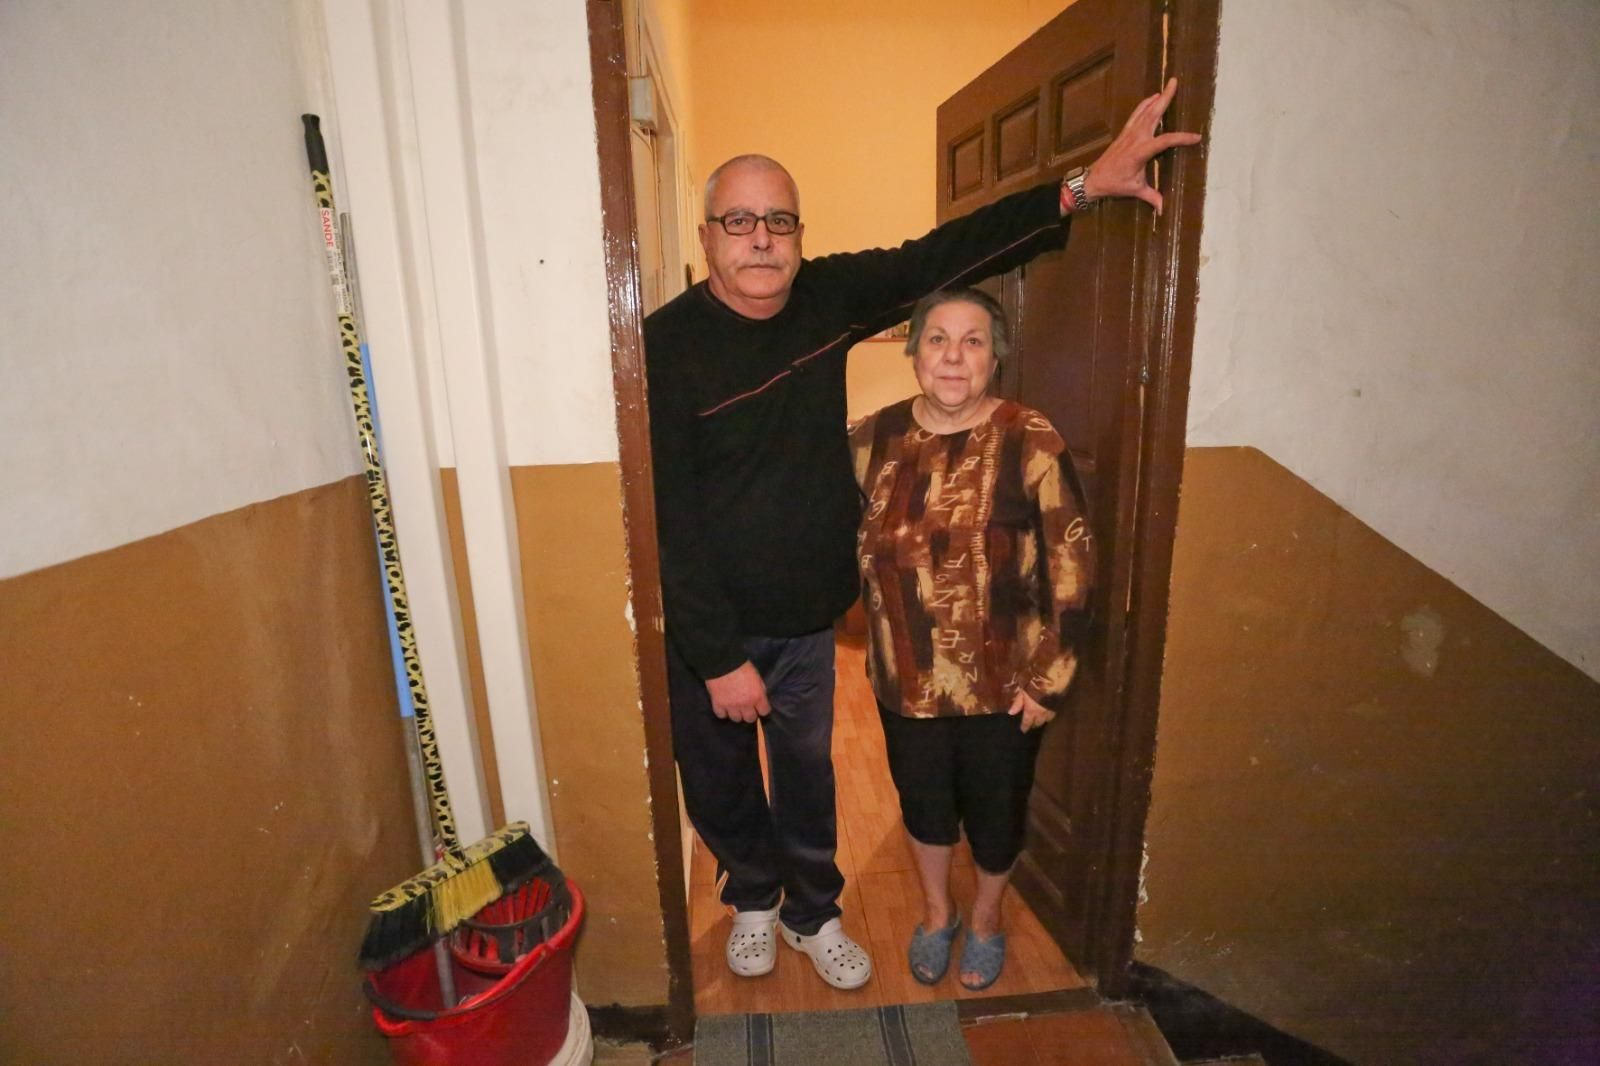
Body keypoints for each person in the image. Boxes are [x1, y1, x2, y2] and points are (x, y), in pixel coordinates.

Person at [644, 81, 1198, 990]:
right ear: (707, 236)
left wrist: (1079, 188)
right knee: (717, 779)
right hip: (707, 627)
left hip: (803, 623)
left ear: (800, 234)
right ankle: (751, 899)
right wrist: (714, 655)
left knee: (806, 776)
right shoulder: (661, 346)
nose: (761, 239)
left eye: (779, 221)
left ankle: (813, 911)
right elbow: (663, 511)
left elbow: (940, 255)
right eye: (739, 222)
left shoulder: (826, 300)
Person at [849, 287, 1092, 991]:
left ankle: (985, 920)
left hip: (1005, 685)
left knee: (996, 814)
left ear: (995, 357)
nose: (953, 356)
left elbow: (1073, 562)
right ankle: (938, 913)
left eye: (973, 341)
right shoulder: (873, 439)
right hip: (906, 678)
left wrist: (1050, 678)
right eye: (937, 339)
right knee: (924, 807)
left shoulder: (1029, 437)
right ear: (914, 352)